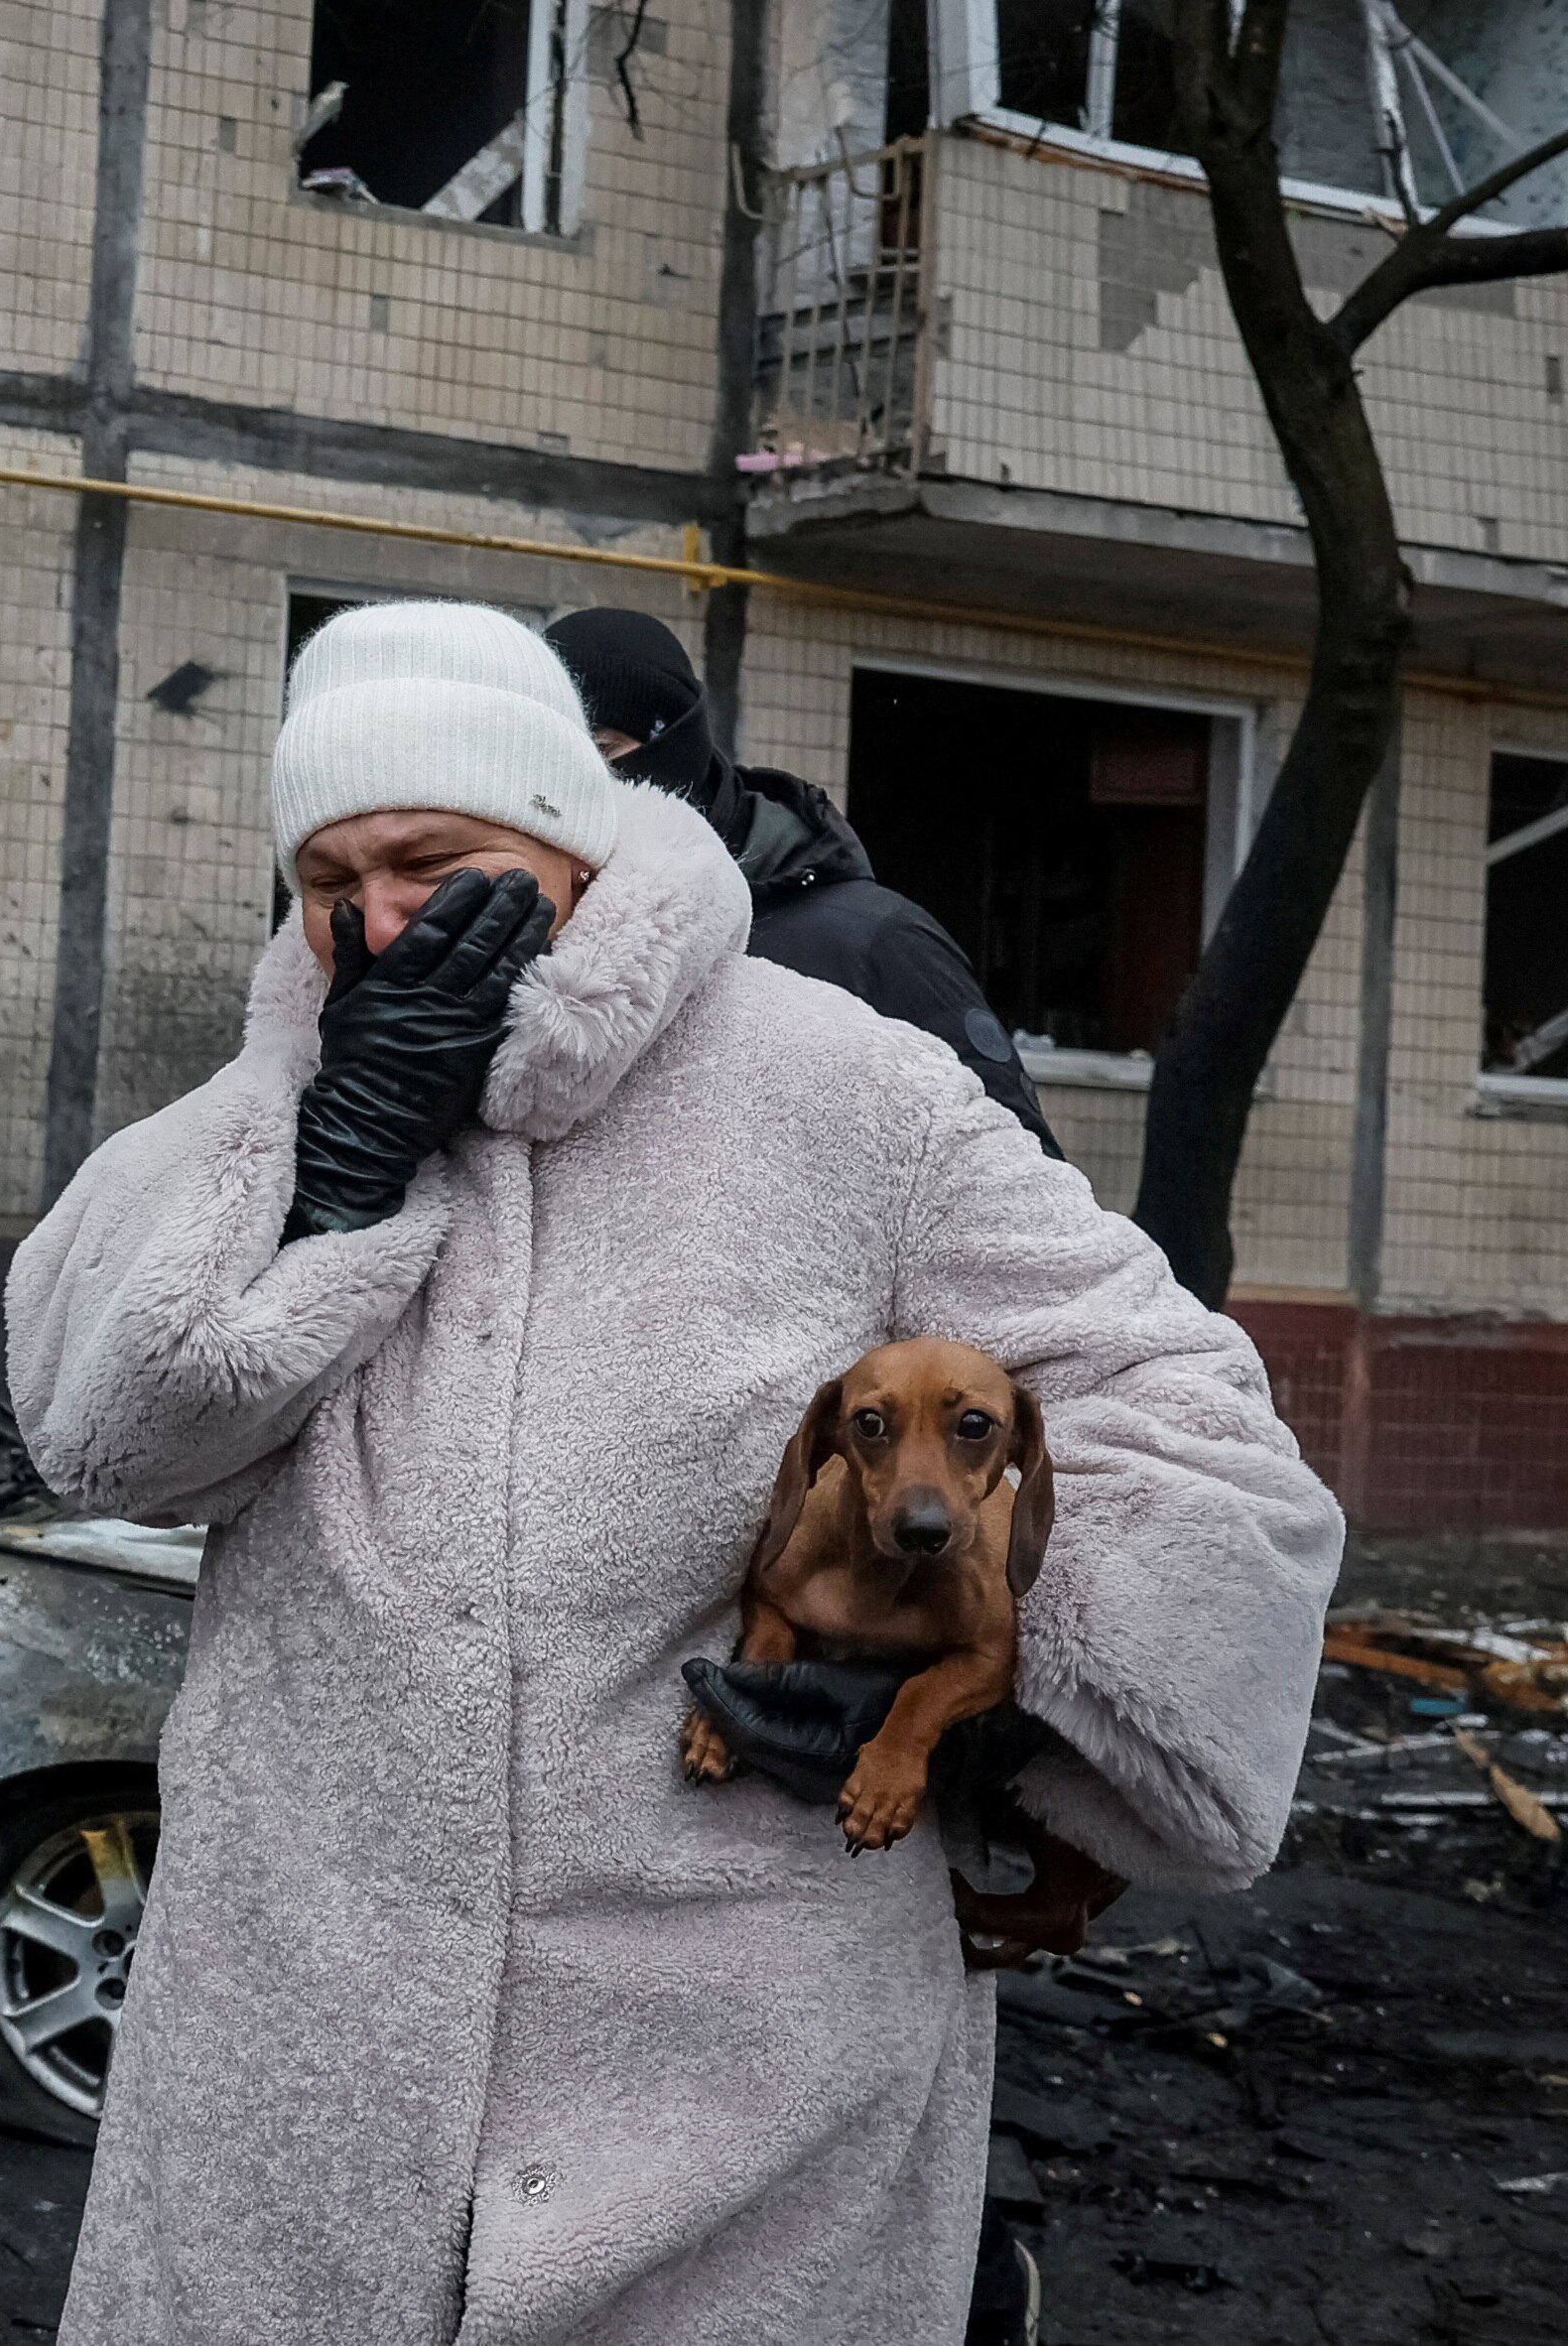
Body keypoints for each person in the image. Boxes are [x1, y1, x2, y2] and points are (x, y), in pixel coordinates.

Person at [8, 603, 1339, 2346]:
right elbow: (106, 1438)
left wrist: (992, 1699)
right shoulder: (258, 1114)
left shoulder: (849, 1095)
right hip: (301, 2067)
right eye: (328, 877)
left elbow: (1189, 1420)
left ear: (565, 840)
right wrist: (334, 1174)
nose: (377, 918)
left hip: (741, 2082)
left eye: (430, 855)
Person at [545, 611, 1072, 2338]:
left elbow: (1023, 1272)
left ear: (662, 749)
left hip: (887, 1565)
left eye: (604, 764)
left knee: (876, 2043)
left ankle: (965, 2279)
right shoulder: (533, 948)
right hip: (673, 1626)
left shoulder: (861, 949)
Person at [542, 607, 1059, 1154]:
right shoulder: (538, 932)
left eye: (601, 753)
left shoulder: (873, 942)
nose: (580, 786)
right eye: (551, 759)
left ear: (677, 745)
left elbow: (1019, 1178)